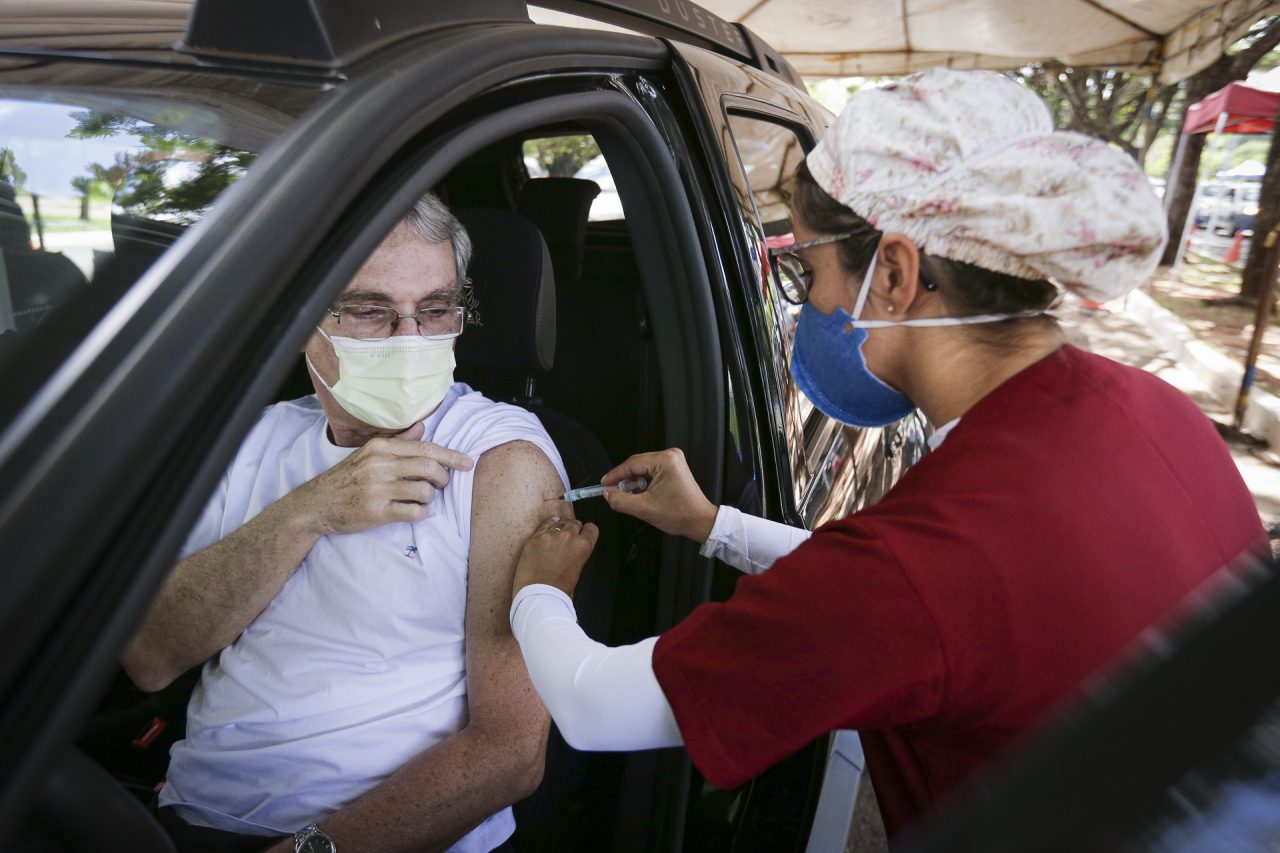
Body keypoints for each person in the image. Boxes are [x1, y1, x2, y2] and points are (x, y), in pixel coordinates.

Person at [506, 69, 1267, 836]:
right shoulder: (1151, 406)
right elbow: (933, 608)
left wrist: (535, 588)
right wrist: (715, 525)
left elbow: (593, 703)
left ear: (897, 275)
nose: (810, 307)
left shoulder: (925, 568)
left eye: (809, 273)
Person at [122, 193, 569, 853]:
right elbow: (150, 657)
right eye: (371, 310)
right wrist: (308, 511)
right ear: (303, 317)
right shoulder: (253, 438)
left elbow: (509, 751)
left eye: (438, 308)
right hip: (190, 813)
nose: (412, 340)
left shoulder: (503, 462)